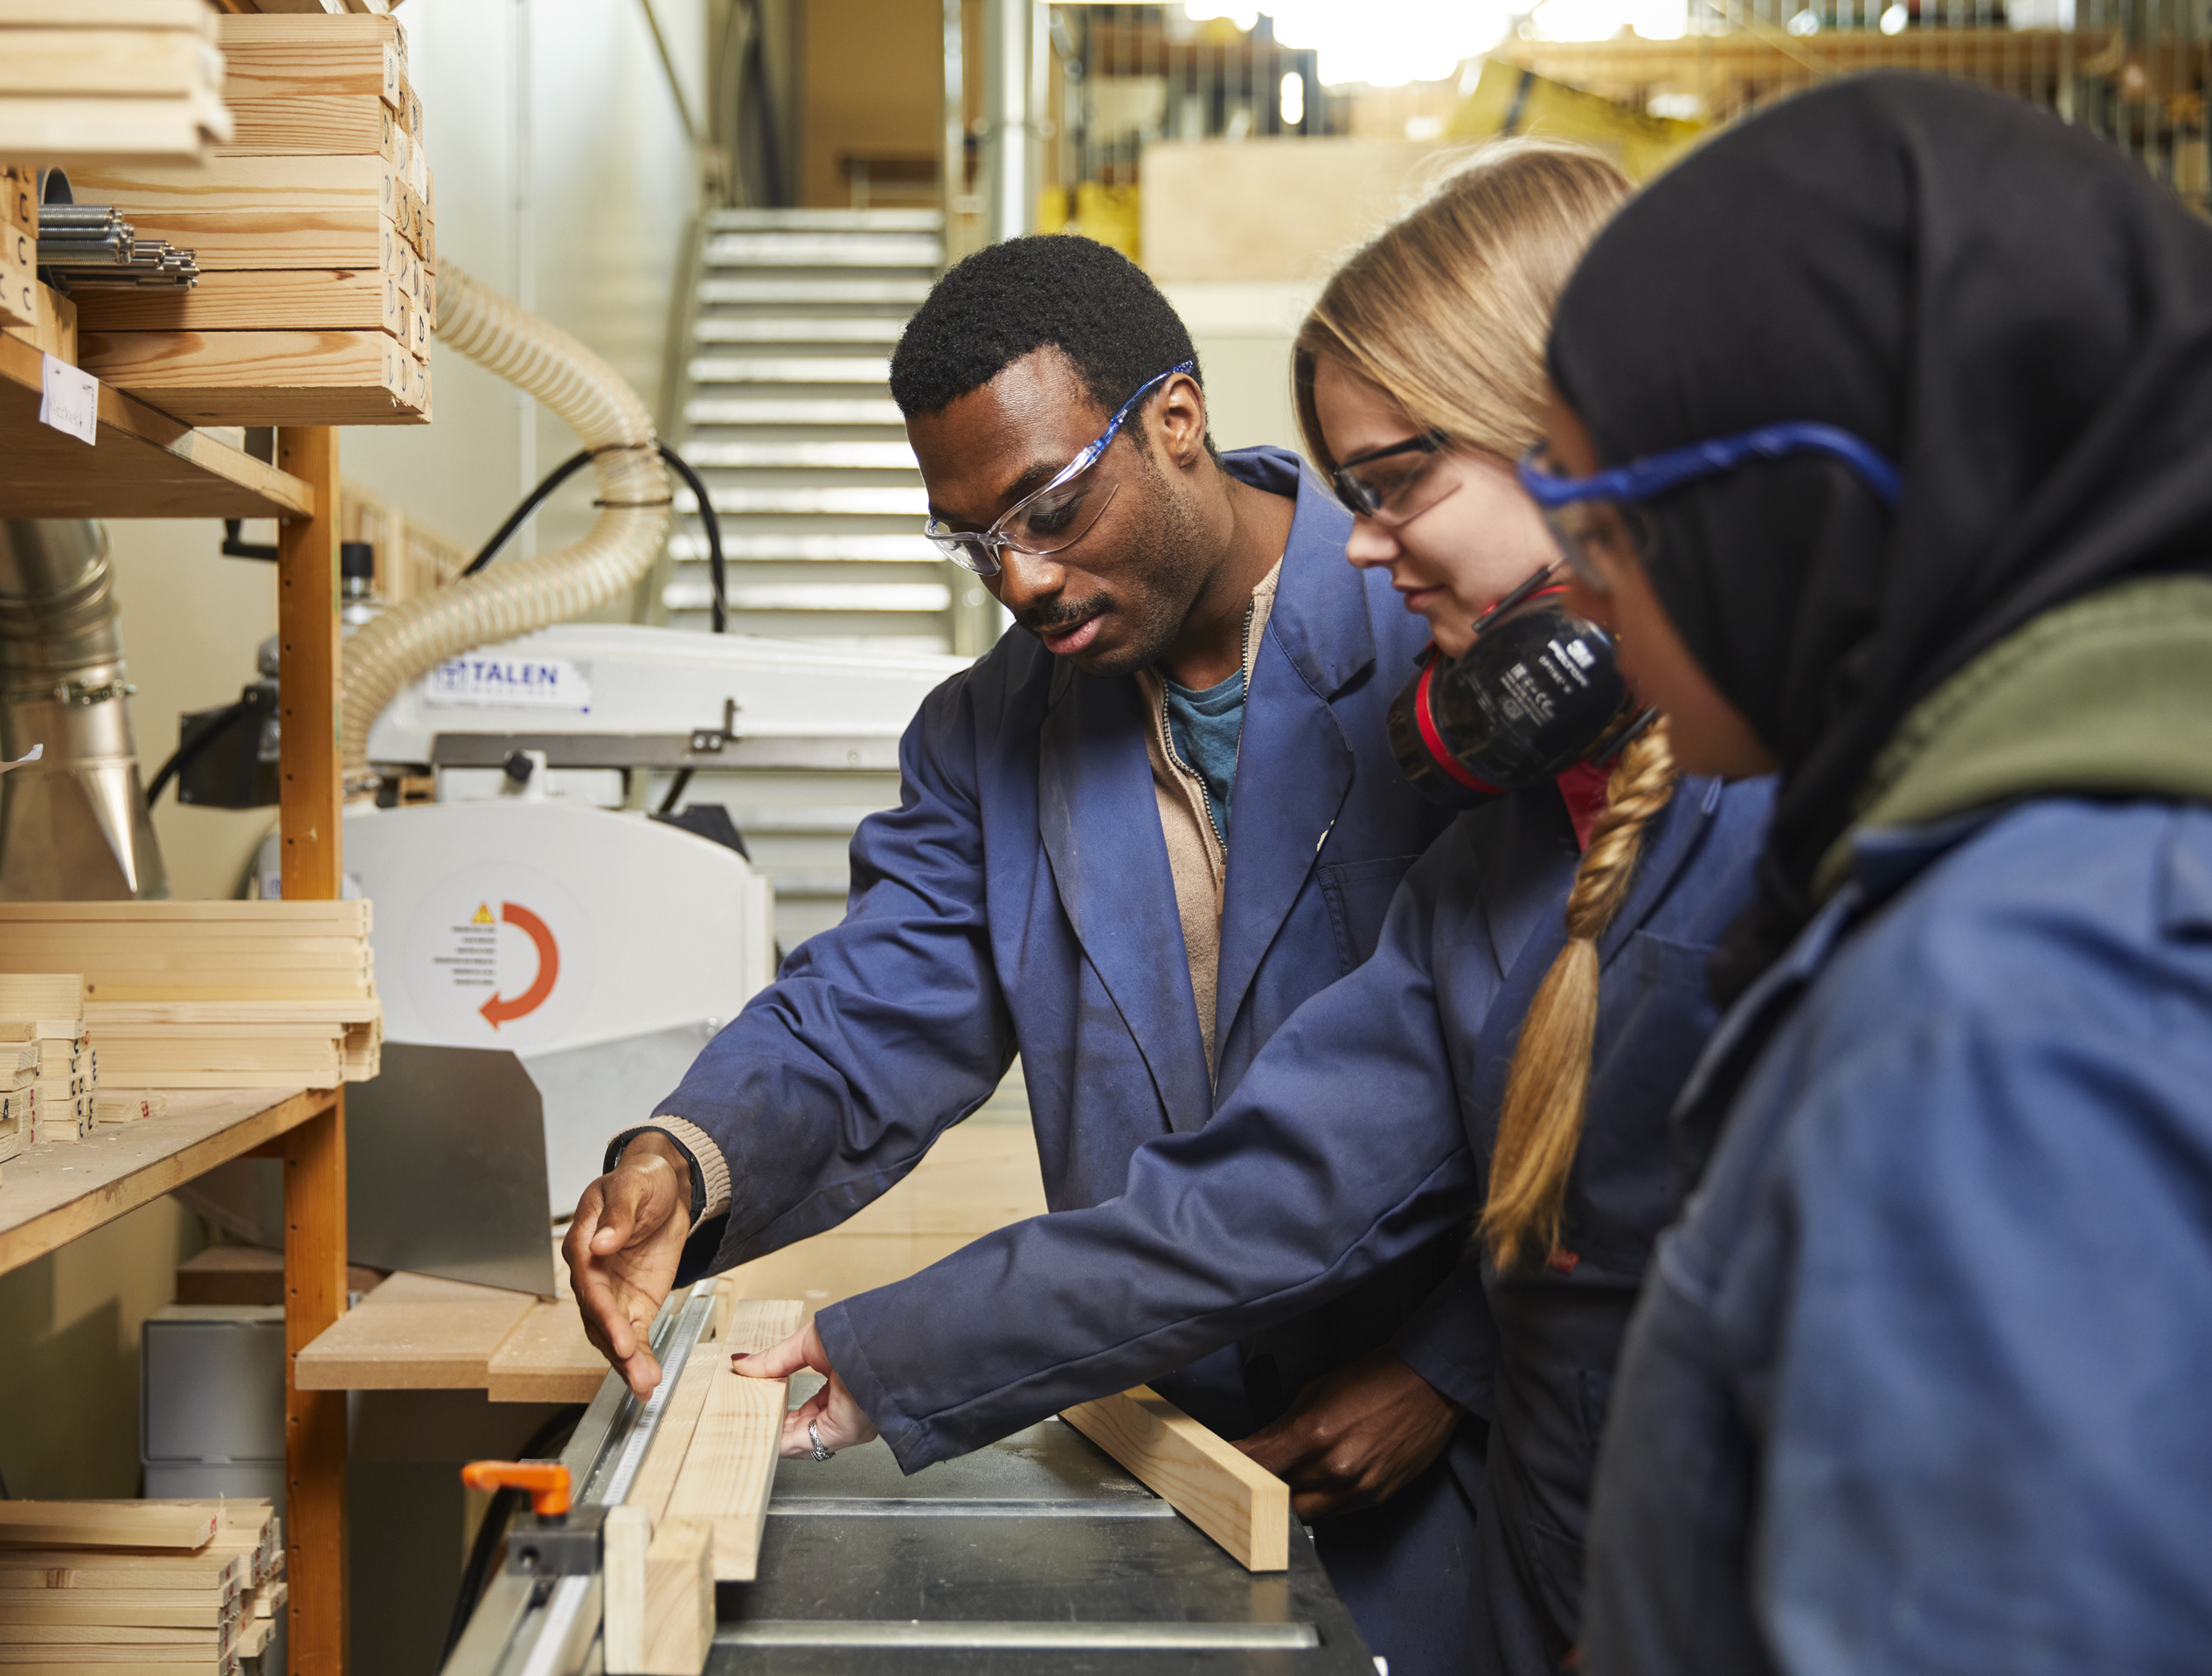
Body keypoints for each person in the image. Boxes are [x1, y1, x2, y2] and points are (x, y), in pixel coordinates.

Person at [732, 142, 1775, 1676]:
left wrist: (1452, 1371)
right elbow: (1261, 1193)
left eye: (1401, 483)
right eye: (1355, 494)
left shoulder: (1812, 820)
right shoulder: (1493, 875)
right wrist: (877, 1342)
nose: (1368, 542)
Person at [565, 235, 1482, 1668]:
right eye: (974, 537)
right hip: (1162, 1430)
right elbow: (868, 1011)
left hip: (1445, 1445)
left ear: (1175, 419)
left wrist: (1455, 1365)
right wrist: (689, 1157)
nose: (1022, 576)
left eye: (1049, 506)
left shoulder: (1437, 634)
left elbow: (1583, 1063)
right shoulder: (987, 736)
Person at [1511, 76, 2212, 1676]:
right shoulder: (2074, 867)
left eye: (1604, 523)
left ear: (1799, 512)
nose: (1580, 591)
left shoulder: (2021, 1014)